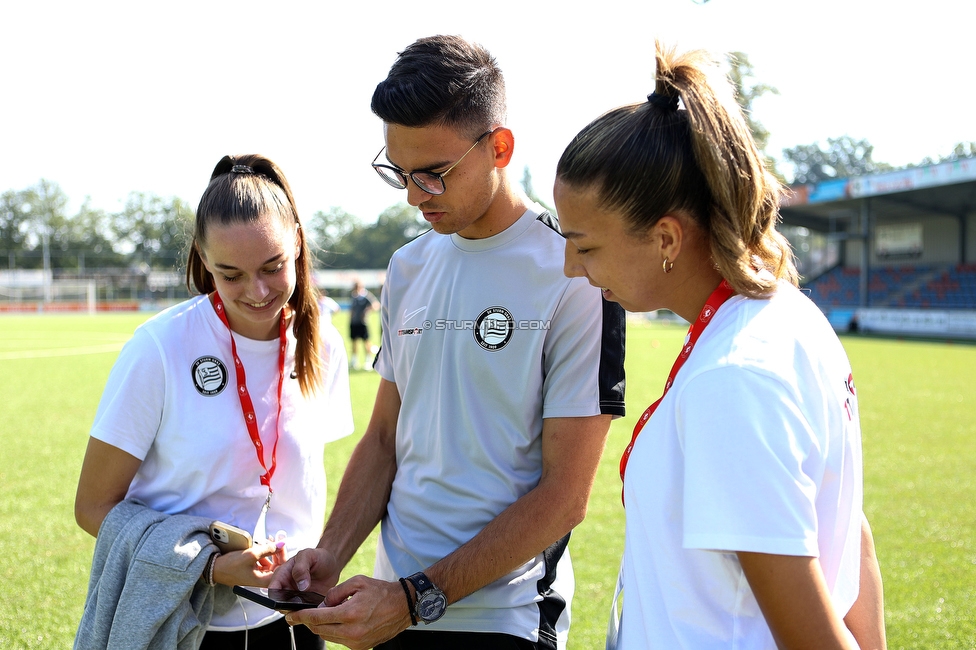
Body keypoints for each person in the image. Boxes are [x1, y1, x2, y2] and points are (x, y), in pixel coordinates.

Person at [274, 35, 626, 650]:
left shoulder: (576, 273)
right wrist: (329, 554)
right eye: (399, 174)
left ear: (500, 147)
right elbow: (386, 438)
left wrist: (416, 599)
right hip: (390, 607)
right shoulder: (407, 266)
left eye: (434, 174)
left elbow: (565, 496)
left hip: (505, 618)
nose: (414, 196)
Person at [552, 43, 886, 649]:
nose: (572, 268)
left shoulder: (734, 374)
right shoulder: (788, 317)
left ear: (666, 238)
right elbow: (846, 530)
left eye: (585, 245)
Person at [74, 154, 354, 649]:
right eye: (231, 274)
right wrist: (209, 566)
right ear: (204, 261)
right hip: (183, 622)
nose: (257, 291)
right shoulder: (159, 347)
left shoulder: (322, 343)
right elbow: (93, 506)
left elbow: (298, 487)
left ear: (298, 243)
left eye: (273, 267)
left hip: (292, 620)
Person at [348, 280, 379, 369]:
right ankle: (354, 361)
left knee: (366, 341)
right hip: (354, 322)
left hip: (363, 322)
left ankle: (368, 361)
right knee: (354, 341)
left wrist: (367, 311)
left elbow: (376, 305)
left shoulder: (366, 296)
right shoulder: (353, 296)